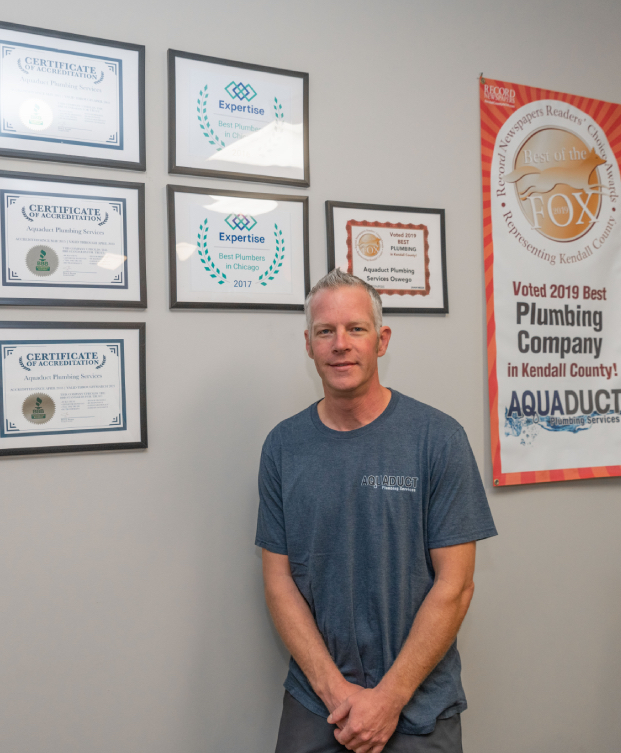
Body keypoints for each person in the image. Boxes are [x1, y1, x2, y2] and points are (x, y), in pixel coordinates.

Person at [256, 269, 497, 753]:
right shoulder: (283, 446)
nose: (340, 344)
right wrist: (335, 691)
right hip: (316, 699)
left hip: (418, 702)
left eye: (356, 329)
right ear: (309, 345)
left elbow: (456, 585)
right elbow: (279, 583)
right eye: (326, 331)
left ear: (381, 340)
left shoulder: (438, 439)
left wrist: (388, 699)